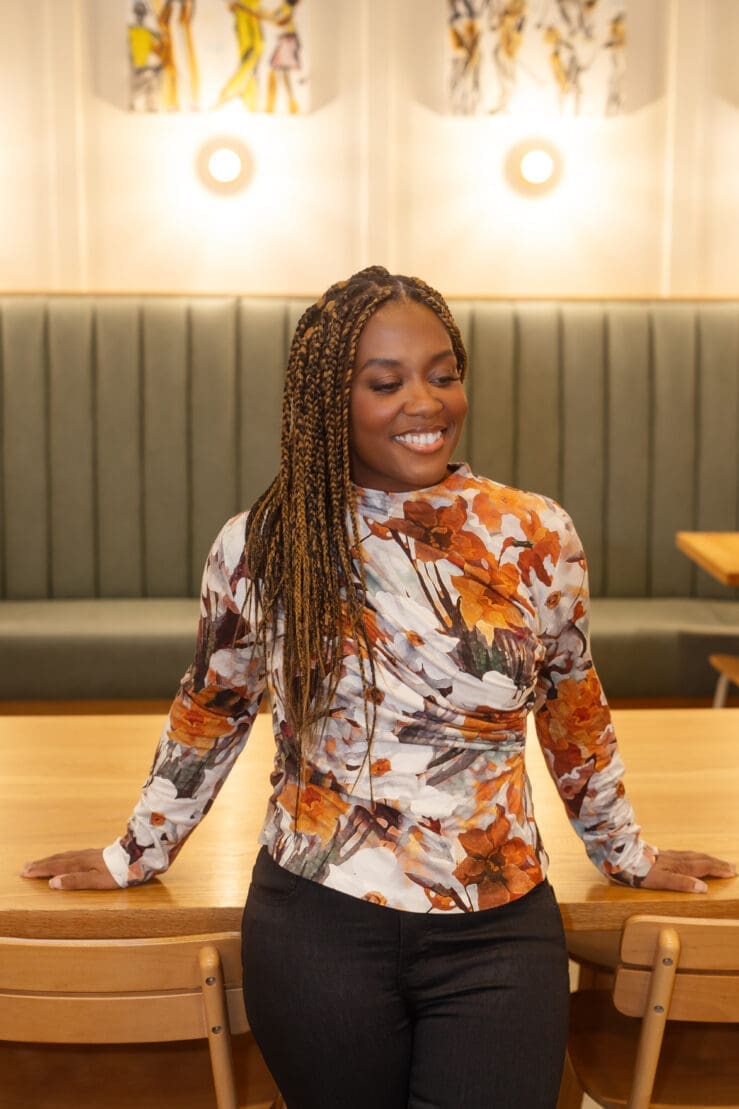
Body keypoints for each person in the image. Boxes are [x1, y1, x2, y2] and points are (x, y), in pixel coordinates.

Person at [22, 267, 735, 1109]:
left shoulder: (534, 531)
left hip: (498, 926)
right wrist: (132, 852)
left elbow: (573, 705)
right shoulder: (264, 542)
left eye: (442, 373)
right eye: (385, 382)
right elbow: (212, 709)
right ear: (331, 398)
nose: (424, 402)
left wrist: (626, 852)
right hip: (316, 925)